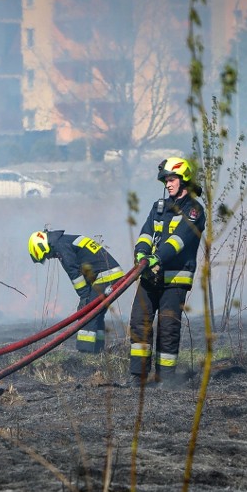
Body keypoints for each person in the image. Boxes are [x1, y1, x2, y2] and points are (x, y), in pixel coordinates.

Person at [129, 157, 205, 388]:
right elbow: (145, 233)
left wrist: (157, 257)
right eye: (166, 180)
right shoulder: (158, 207)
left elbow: (180, 239)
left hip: (175, 279)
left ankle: (166, 378)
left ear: (183, 180)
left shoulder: (194, 210)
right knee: (139, 321)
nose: (168, 184)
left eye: (171, 179)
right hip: (150, 275)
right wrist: (141, 253)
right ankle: (138, 377)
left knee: (168, 327)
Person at [28, 230, 124, 353]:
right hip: (110, 275)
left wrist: (84, 297)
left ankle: (86, 353)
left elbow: (75, 274)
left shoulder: (61, 246)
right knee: (97, 315)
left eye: (47, 255)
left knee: (88, 314)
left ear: (42, 247)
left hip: (106, 276)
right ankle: (98, 351)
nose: (50, 257)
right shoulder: (65, 240)